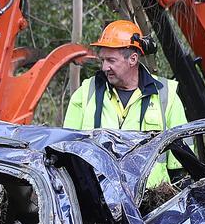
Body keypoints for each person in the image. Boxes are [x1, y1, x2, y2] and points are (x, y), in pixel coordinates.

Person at [63, 19, 188, 186]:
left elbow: (180, 164)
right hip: (97, 202)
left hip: (151, 203)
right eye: (103, 60)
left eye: (111, 61)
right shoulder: (86, 93)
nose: (104, 67)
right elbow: (66, 150)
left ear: (133, 59)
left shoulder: (166, 96)